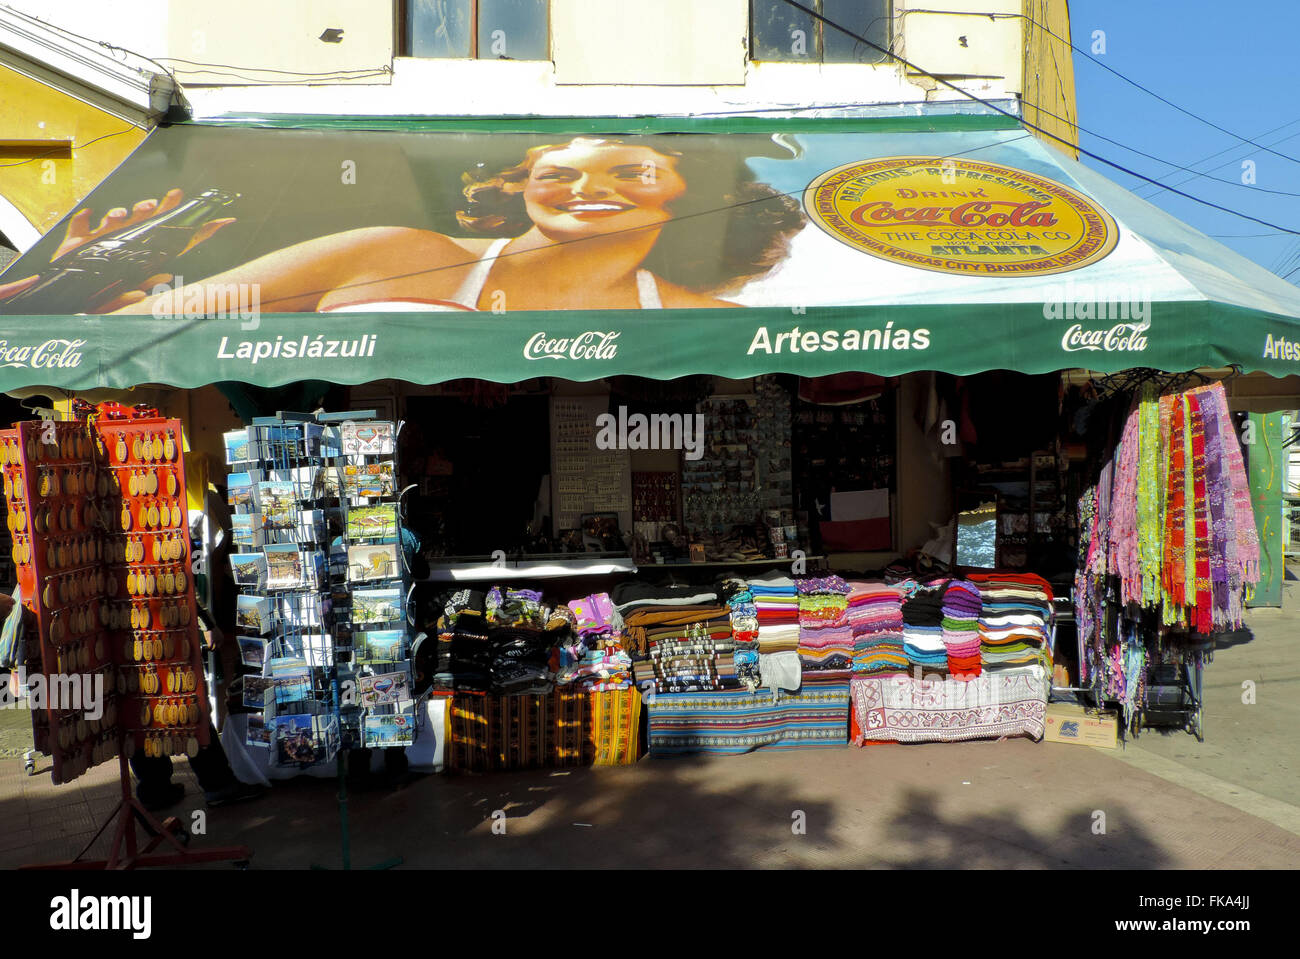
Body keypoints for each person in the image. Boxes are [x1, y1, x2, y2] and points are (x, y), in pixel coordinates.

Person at [0, 137, 805, 313]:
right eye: (557, 171)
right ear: (523, 188)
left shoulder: (703, 318)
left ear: (683, 195)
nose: (584, 186)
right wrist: (79, 272)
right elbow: (148, 323)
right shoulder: (392, 250)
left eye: (631, 171)